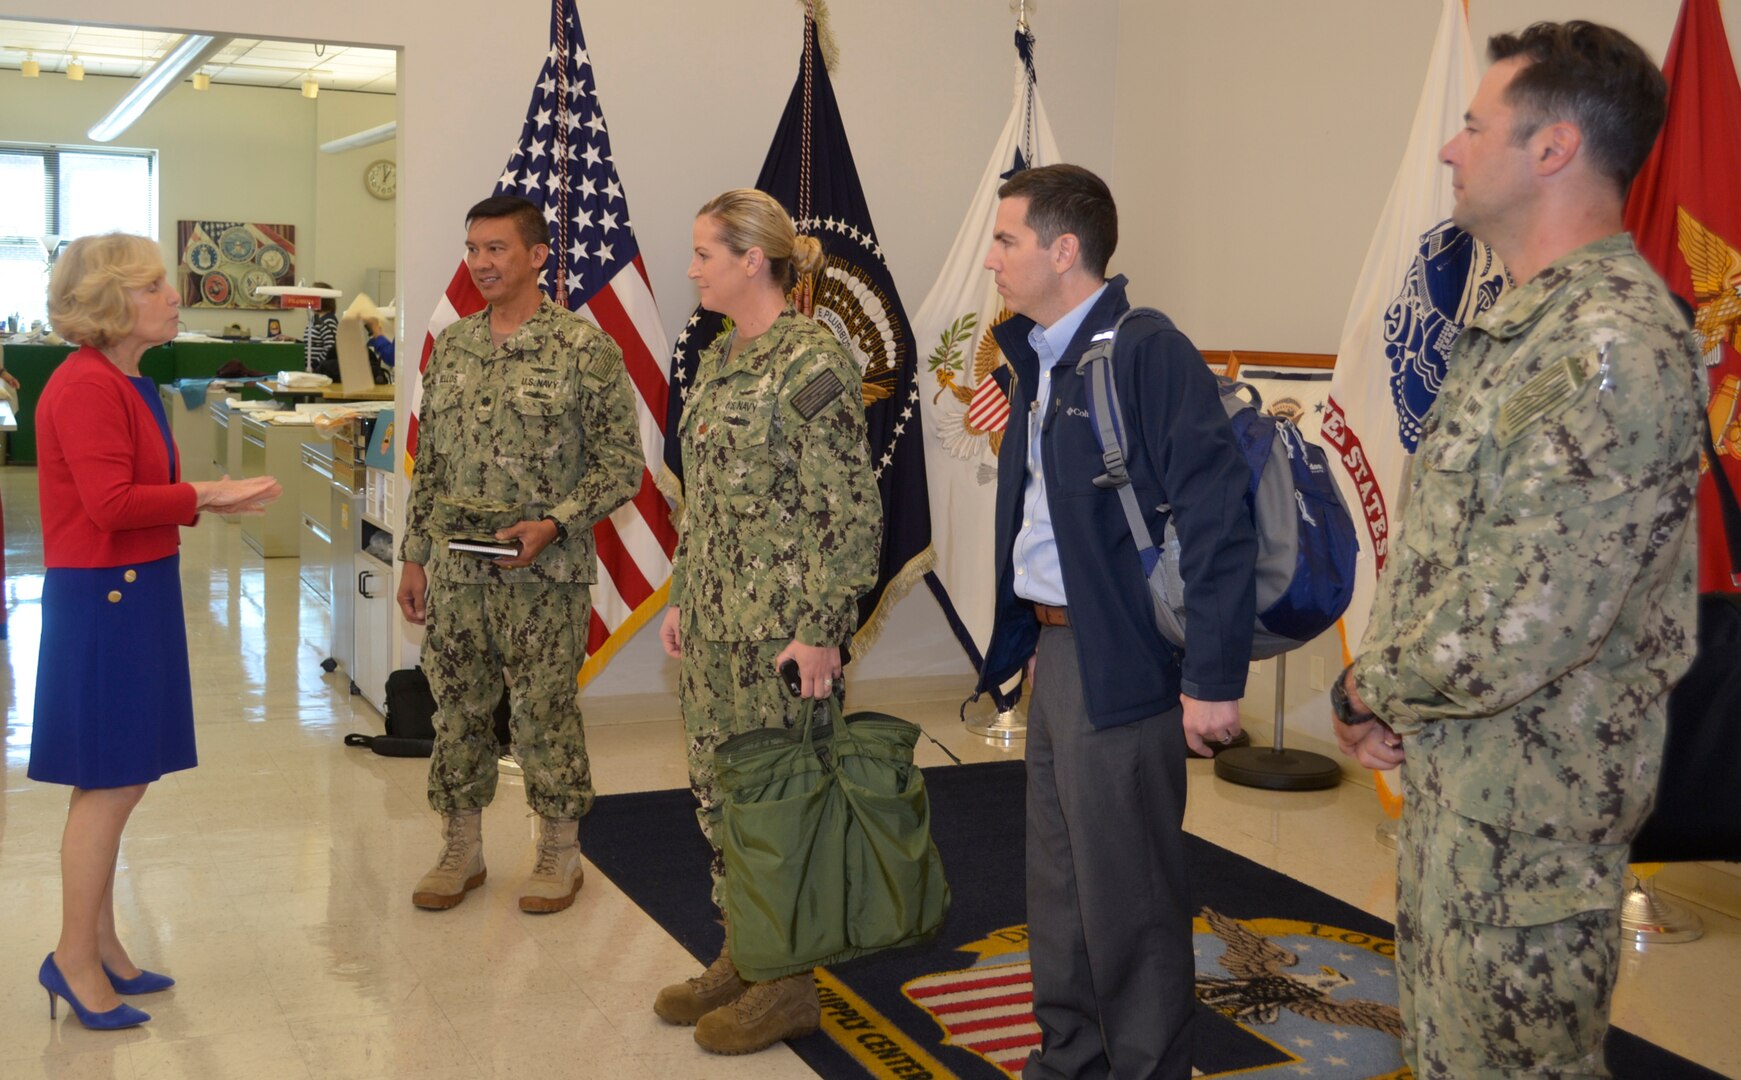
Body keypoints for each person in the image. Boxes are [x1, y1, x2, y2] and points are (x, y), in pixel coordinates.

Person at [1329, 22, 1702, 1079]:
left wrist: (1373, 685)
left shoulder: (1609, 342)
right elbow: (1456, 551)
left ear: (1551, 150)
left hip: (1529, 842)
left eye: (1472, 124)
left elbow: (1521, 618)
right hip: (1465, 808)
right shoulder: (1524, 327)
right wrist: (1400, 705)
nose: (1450, 150)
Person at [973, 164, 1257, 1078]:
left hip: (1125, 661)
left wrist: (1212, 678)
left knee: (1127, 891)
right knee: (1059, 884)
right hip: (1056, 650)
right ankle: (1070, 1059)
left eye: (1006, 239)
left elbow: (1217, 516)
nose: (991, 258)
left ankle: (1144, 1065)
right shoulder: (1037, 353)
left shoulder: (1145, 350)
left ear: (1064, 249)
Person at [31, 233, 282, 1030]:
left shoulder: (128, 381)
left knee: (114, 776)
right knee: (111, 782)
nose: (174, 297)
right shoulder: (85, 387)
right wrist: (209, 493)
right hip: (105, 594)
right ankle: (73, 957)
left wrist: (202, 496)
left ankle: (100, 944)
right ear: (108, 304)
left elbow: (137, 490)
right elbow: (109, 505)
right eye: (153, 287)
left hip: (133, 587)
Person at [652, 188, 881, 1054]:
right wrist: (684, 594)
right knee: (720, 798)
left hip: (783, 635)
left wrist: (822, 629)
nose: (691, 268)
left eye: (705, 253)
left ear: (754, 260)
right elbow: (705, 500)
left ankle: (786, 982)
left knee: (778, 807)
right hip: (716, 624)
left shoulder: (809, 361)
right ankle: (745, 951)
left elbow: (850, 510)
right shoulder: (721, 358)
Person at [396, 195, 642, 915]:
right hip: (459, 572)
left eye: (497, 248)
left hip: (546, 575)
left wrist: (554, 523)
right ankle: (461, 848)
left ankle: (559, 853)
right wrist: (414, 558)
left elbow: (620, 465)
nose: (480, 262)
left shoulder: (584, 349)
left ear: (538, 256)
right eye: (473, 248)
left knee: (542, 713)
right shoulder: (456, 346)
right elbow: (431, 464)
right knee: (458, 713)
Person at [303, 283, 337, 373]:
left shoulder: (328, 321)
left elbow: (330, 348)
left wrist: (314, 365)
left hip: (318, 370)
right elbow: (313, 343)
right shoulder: (315, 319)